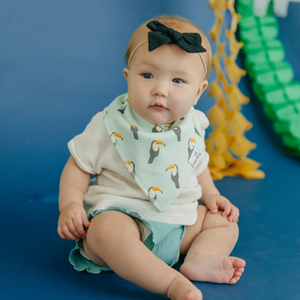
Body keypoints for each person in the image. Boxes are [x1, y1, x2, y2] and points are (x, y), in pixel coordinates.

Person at [57, 15, 246, 300]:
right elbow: (78, 165)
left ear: (198, 92)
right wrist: (70, 204)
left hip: (179, 225)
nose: (160, 89)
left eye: (178, 80)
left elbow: (196, 161)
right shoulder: (108, 123)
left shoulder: (194, 123)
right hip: (125, 219)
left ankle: (200, 258)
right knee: (104, 231)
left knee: (224, 222)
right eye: (147, 75)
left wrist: (211, 195)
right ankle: (170, 284)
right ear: (127, 76)